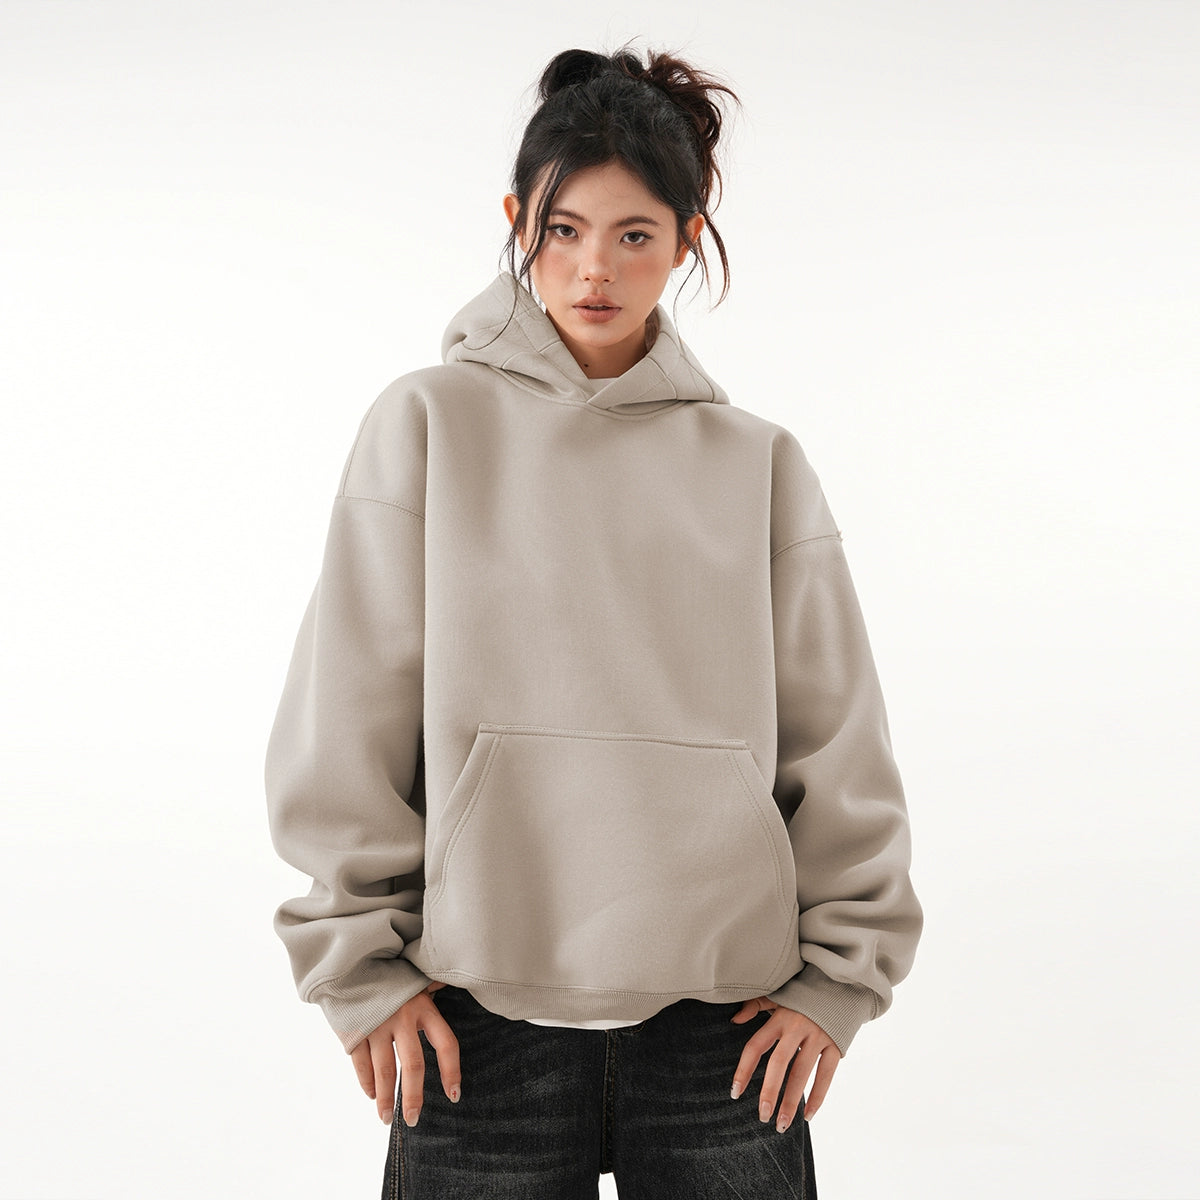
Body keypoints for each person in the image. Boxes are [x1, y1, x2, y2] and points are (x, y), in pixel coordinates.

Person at [264, 43, 922, 1200]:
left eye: (634, 235)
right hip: (473, 1022)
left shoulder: (758, 464)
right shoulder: (426, 426)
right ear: (517, 222)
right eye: (564, 230)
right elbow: (347, 714)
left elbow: (838, 739)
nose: (595, 269)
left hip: (725, 1028)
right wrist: (360, 974)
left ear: (687, 236)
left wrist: (839, 981)